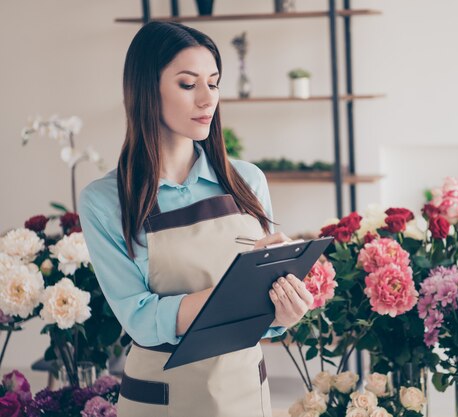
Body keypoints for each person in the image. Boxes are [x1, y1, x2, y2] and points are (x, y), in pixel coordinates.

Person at [78, 21, 314, 417]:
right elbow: (140, 317)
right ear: (146, 90)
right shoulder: (104, 201)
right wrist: (235, 294)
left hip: (245, 391)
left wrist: (282, 311)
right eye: (188, 85)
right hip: (162, 398)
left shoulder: (247, 181)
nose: (208, 100)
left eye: (214, 82)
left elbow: (263, 313)